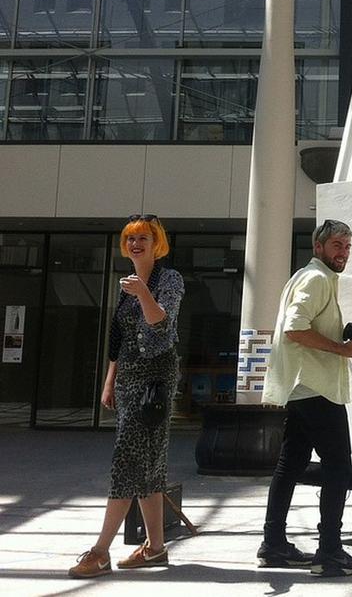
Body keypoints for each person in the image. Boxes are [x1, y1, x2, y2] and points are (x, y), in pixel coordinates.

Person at [69, 214, 185, 579]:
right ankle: (155, 548)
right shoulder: (127, 285)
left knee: (126, 462)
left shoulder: (169, 279)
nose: (136, 245)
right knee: (146, 465)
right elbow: (116, 341)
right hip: (128, 378)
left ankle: (101, 551)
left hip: (155, 379)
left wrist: (144, 293)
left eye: (143, 239)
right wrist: (109, 381)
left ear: (157, 243)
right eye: (131, 239)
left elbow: (161, 323)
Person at [258, 219, 352, 577]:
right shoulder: (317, 278)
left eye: (348, 246)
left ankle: (273, 543)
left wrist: (345, 336)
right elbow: (295, 328)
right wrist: (341, 348)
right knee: (338, 466)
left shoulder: (308, 277)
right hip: (316, 389)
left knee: (290, 464)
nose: (344, 252)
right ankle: (330, 552)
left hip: (300, 387)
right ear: (319, 247)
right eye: (337, 244)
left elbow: (304, 326)